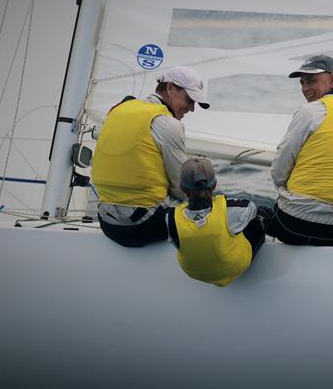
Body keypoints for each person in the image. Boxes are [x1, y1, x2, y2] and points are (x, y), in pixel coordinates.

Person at [91, 65, 209, 247]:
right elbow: (183, 188)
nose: (192, 109)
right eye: (189, 99)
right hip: (144, 225)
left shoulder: (116, 112)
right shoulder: (167, 124)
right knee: (209, 208)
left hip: (107, 221)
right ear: (170, 88)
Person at [267, 55, 333, 248]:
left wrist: (284, 189)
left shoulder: (310, 111)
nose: (305, 89)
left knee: (253, 216)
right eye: (302, 82)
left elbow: (281, 164)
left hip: (294, 224)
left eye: (312, 81)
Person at [167, 157, 269, 287]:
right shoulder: (230, 210)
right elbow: (252, 208)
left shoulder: (170, 219)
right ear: (214, 185)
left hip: (195, 273)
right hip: (232, 267)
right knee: (263, 214)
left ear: (182, 188)